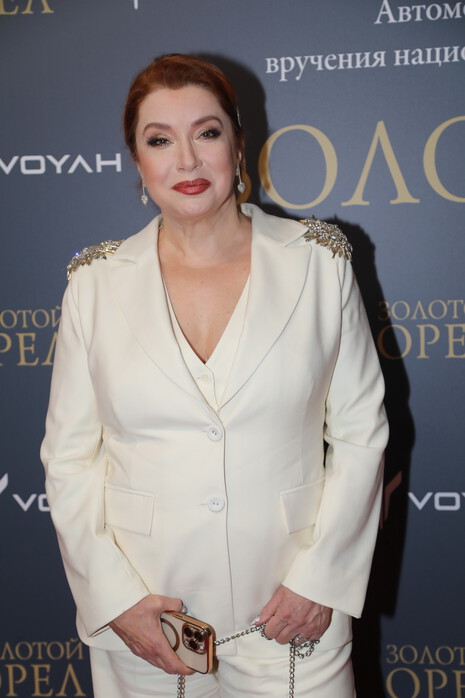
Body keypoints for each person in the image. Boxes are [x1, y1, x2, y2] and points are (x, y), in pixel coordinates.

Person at [41, 53, 388, 698]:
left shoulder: (320, 263)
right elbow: (68, 459)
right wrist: (115, 600)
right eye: (159, 140)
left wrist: (322, 580)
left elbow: (361, 433)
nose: (187, 161)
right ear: (137, 161)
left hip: (292, 618)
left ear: (238, 144)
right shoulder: (94, 284)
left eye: (206, 132)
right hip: (152, 621)